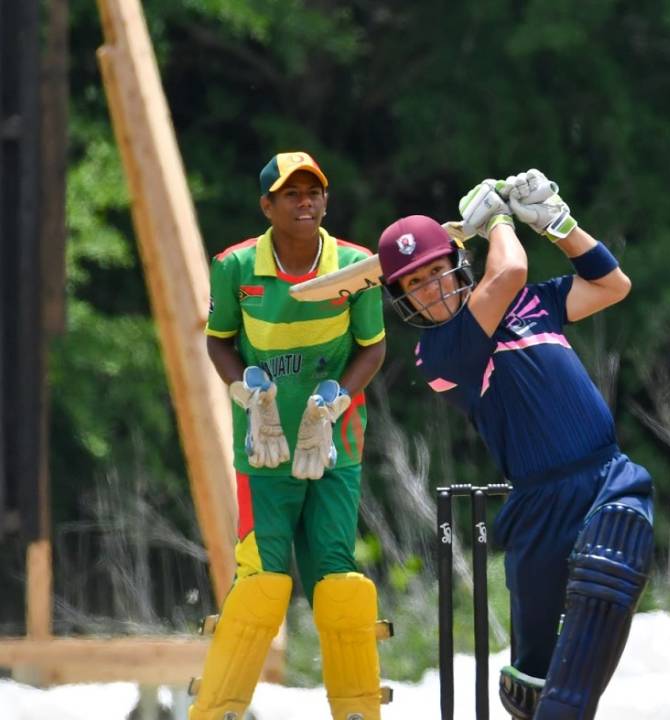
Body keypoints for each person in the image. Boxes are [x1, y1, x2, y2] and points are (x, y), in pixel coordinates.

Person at [375, 170, 654, 720]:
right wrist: (500, 217)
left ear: (458, 265)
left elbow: (611, 285)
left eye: (435, 272)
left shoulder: (531, 303)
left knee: (607, 574)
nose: (431, 291)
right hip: (540, 506)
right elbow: (509, 268)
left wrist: (558, 225)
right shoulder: (440, 355)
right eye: (415, 285)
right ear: (403, 300)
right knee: (536, 685)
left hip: (606, 475)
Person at [193, 151, 390, 720]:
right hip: (264, 448)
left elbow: (372, 347)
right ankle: (218, 711)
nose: (305, 203)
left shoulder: (356, 266)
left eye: (314, 193)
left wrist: (334, 401)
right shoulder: (234, 267)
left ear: (325, 200)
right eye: (291, 195)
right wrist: (246, 392)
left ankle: (357, 711)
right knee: (261, 581)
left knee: (339, 580)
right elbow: (219, 340)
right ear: (267, 206)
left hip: (335, 444)